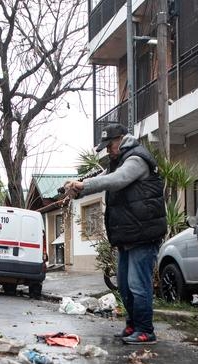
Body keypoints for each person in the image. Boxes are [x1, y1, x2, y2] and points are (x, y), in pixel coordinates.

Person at [63, 123, 166, 345]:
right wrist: (78, 191)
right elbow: (104, 181)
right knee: (125, 286)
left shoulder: (137, 159)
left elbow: (116, 180)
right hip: (128, 235)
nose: (108, 150)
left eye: (110, 145)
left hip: (143, 234)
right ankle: (132, 326)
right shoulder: (117, 161)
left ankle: (146, 330)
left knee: (138, 285)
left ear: (122, 139)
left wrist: (83, 184)